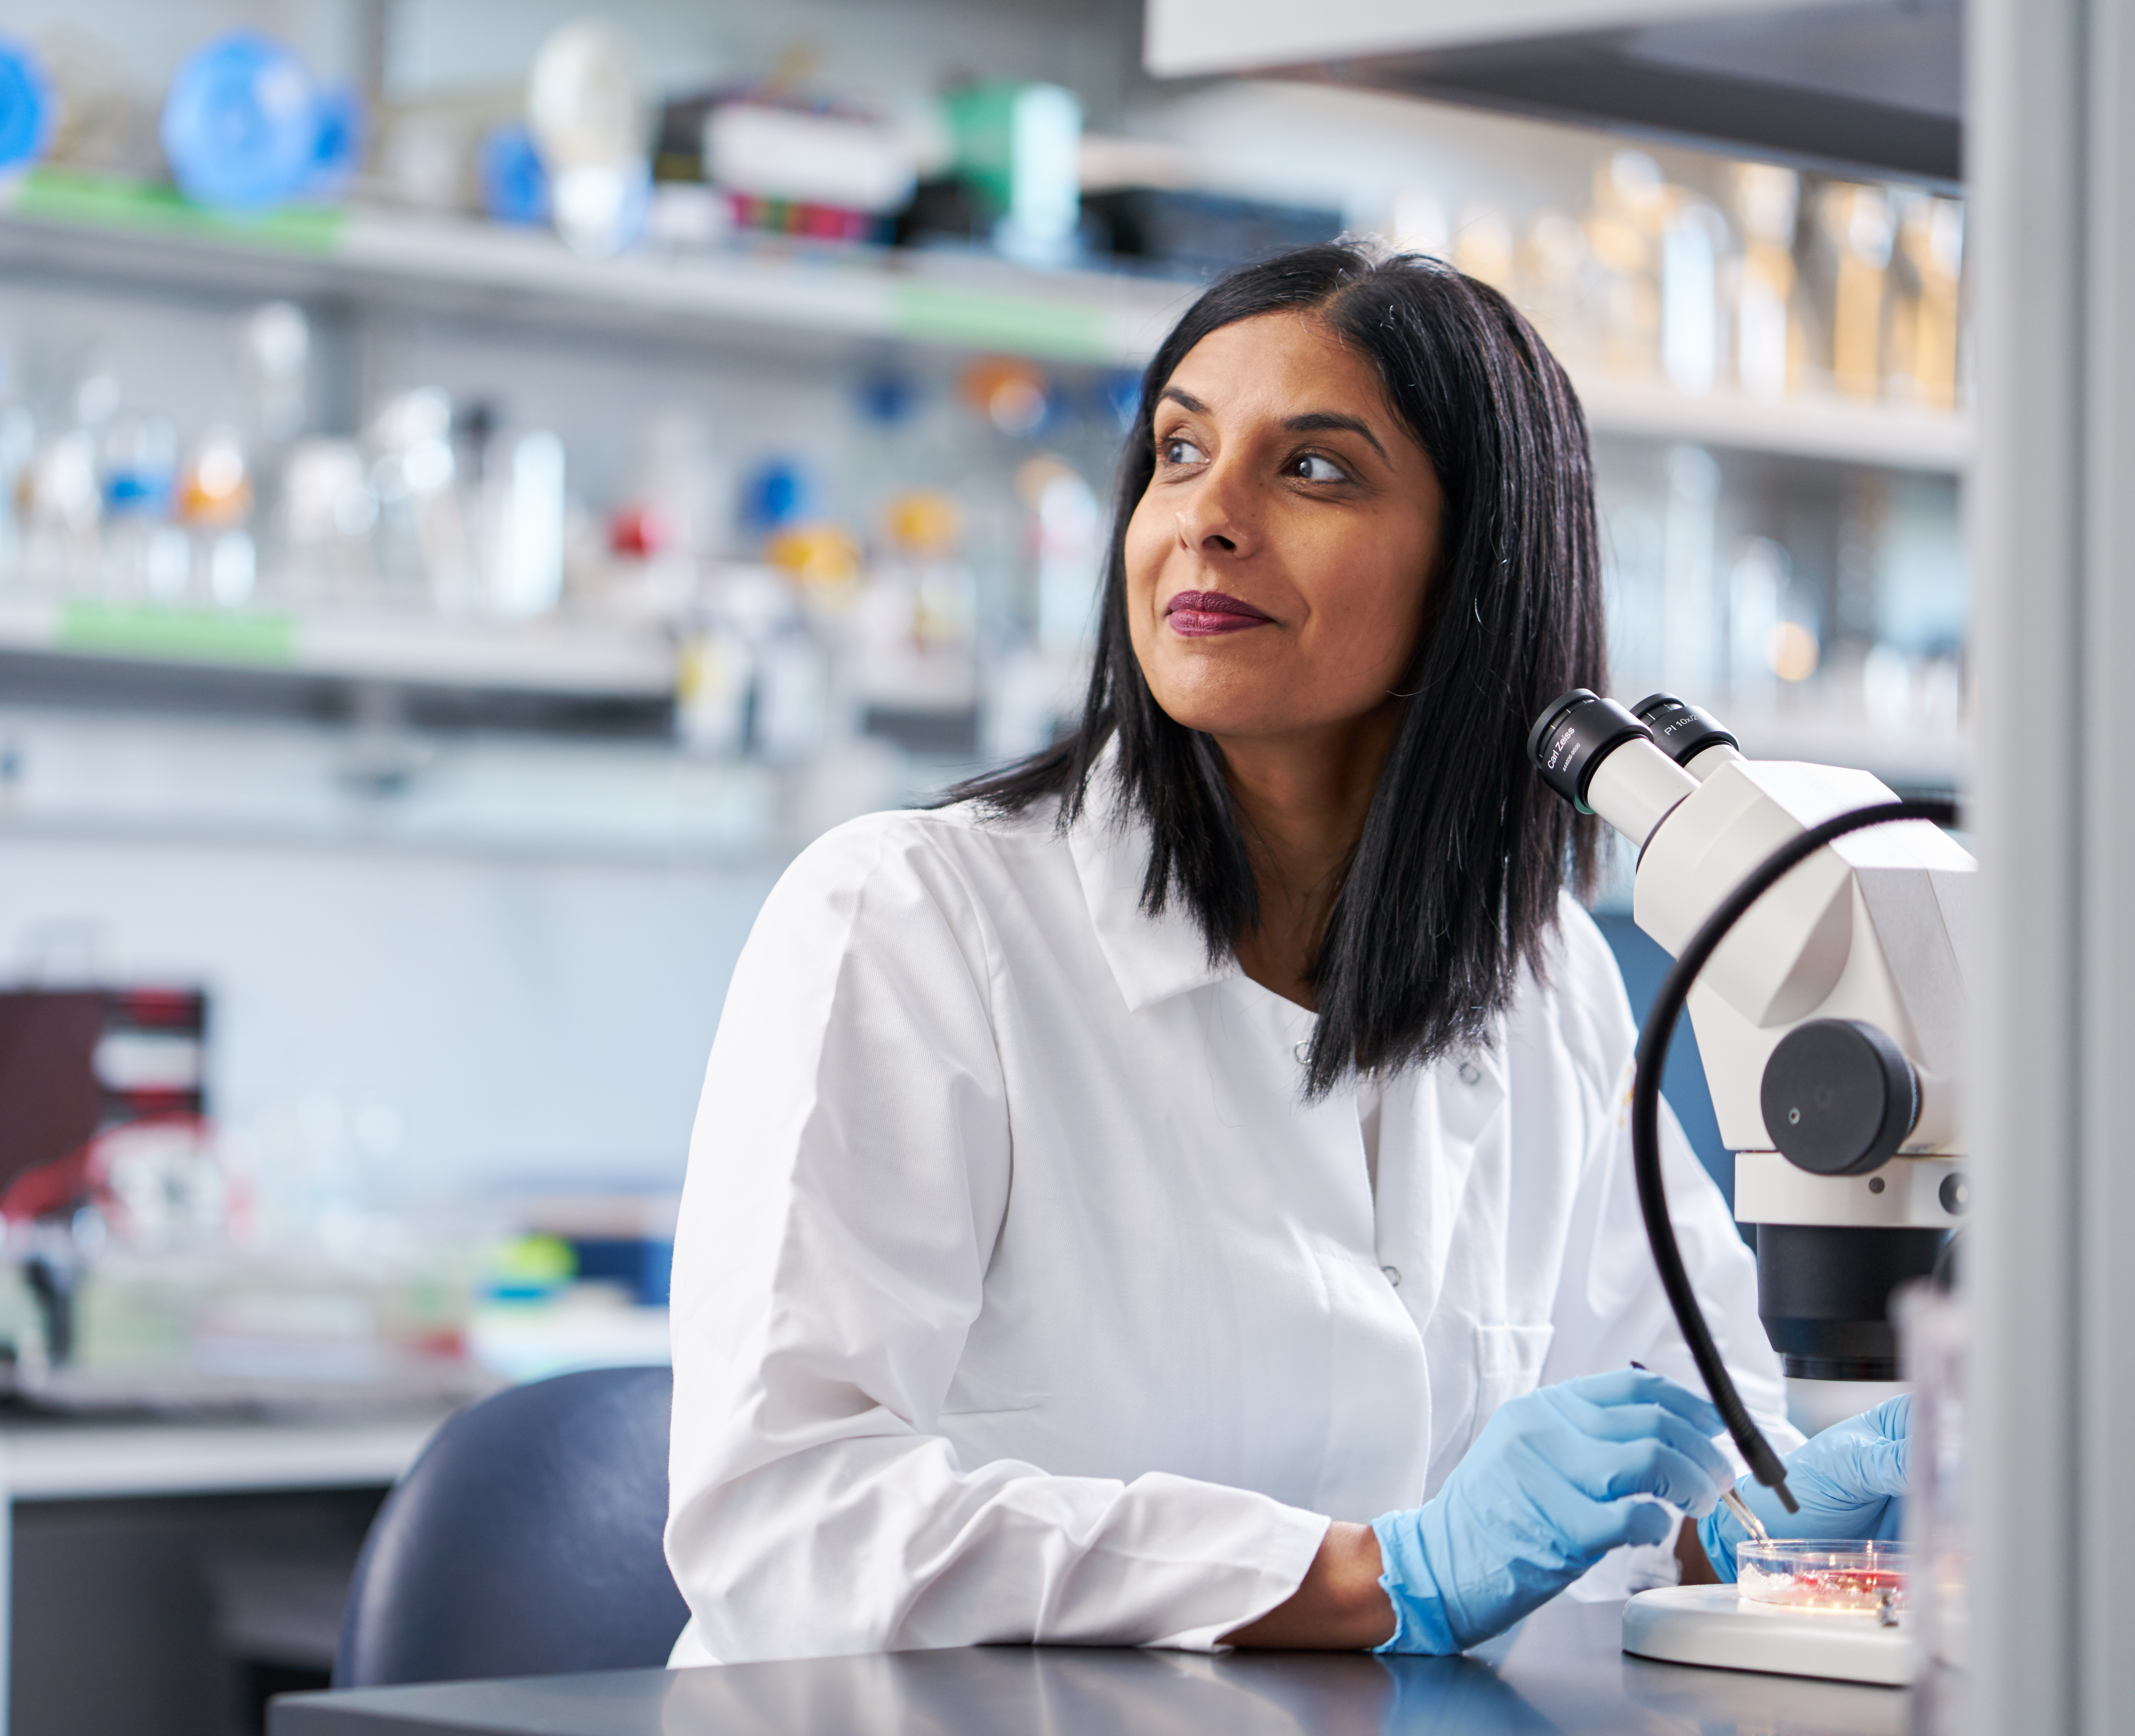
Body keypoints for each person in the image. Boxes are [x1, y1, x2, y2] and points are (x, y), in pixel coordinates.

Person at [663, 242, 1907, 1664]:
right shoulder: (907, 921)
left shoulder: (1544, 978)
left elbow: (1690, 1432)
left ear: (1478, 568)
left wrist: (1771, 1523)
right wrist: (1375, 1574)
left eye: (1313, 469)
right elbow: (786, 1521)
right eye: (1180, 451)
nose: (1206, 519)